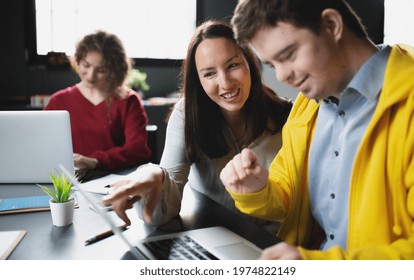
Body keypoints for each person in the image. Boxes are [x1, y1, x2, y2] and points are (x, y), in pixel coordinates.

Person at [220, 0, 414, 259]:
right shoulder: (307, 105)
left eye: (288, 55)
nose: (281, 76)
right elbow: (290, 195)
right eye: (271, 64)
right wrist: (257, 189)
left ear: (332, 25)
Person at [101, 20, 292, 234]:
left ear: (250, 63)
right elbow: (160, 214)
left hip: (274, 245)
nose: (226, 83)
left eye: (233, 65)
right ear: (198, 80)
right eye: (209, 73)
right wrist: (154, 174)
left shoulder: (289, 116)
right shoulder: (187, 114)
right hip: (214, 236)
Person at [44, 31, 151, 178]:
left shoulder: (129, 100)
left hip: (115, 180)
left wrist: (94, 161)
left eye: (101, 69)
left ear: (114, 70)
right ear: (77, 62)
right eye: (86, 65)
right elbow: (43, 146)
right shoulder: (58, 101)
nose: (91, 75)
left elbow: (137, 149)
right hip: (67, 180)